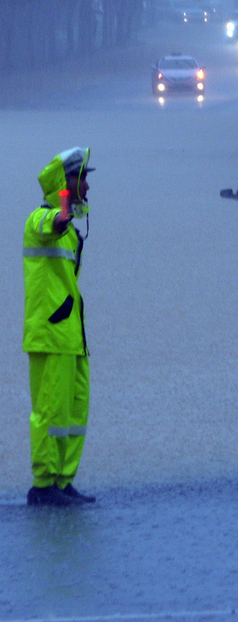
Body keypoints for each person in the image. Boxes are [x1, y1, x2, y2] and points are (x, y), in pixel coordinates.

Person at [23, 147, 96, 506]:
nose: (86, 186)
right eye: (81, 177)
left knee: (73, 412)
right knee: (50, 412)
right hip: (51, 335)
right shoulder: (40, 219)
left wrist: (69, 212)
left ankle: (64, 482)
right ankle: (43, 485)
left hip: (72, 337)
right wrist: (65, 207)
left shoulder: (70, 234)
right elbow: (50, 224)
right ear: (63, 183)